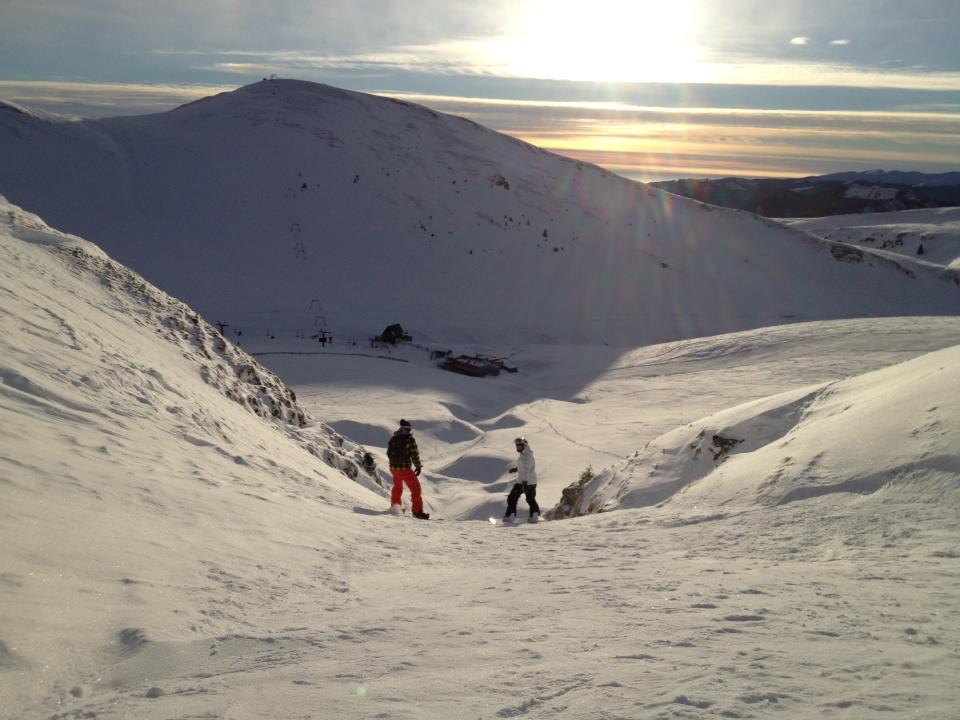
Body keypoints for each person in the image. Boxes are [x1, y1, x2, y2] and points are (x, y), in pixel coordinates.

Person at [387, 419, 429, 519]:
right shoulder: (409, 439)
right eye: (408, 429)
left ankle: (395, 508)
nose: (409, 431)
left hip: (393, 468)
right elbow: (414, 454)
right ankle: (417, 512)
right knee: (415, 489)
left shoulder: (393, 438)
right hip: (404, 469)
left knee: (397, 488)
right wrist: (418, 466)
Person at [503, 437, 540, 523]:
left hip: (525, 481)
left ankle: (511, 516)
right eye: (517, 445)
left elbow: (526, 470)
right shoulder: (525, 454)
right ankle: (534, 516)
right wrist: (516, 469)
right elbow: (524, 467)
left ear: (525, 446)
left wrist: (524, 483)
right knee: (529, 499)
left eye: (520, 445)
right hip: (529, 481)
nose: (518, 447)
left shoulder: (526, 456)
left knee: (513, 498)